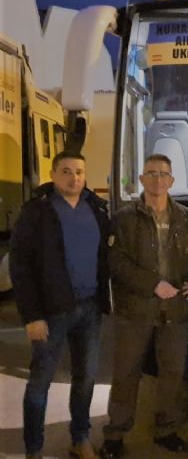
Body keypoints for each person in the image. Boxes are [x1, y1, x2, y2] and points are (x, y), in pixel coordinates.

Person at [100, 154, 188, 459]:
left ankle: (166, 429)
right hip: (134, 311)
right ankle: (115, 433)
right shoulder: (124, 219)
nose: (157, 179)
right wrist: (152, 284)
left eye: (163, 174)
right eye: (151, 173)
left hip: (175, 312)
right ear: (141, 179)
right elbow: (116, 263)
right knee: (126, 373)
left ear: (172, 181)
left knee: (172, 373)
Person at [10, 150, 110, 459]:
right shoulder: (36, 212)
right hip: (51, 312)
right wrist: (32, 316)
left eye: (79, 172)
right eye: (66, 171)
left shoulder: (95, 210)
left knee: (86, 379)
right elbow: (20, 266)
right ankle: (34, 448)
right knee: (40, 383)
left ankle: (80, 439)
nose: (74, 177)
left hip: (90, 309)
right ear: (53, 175)